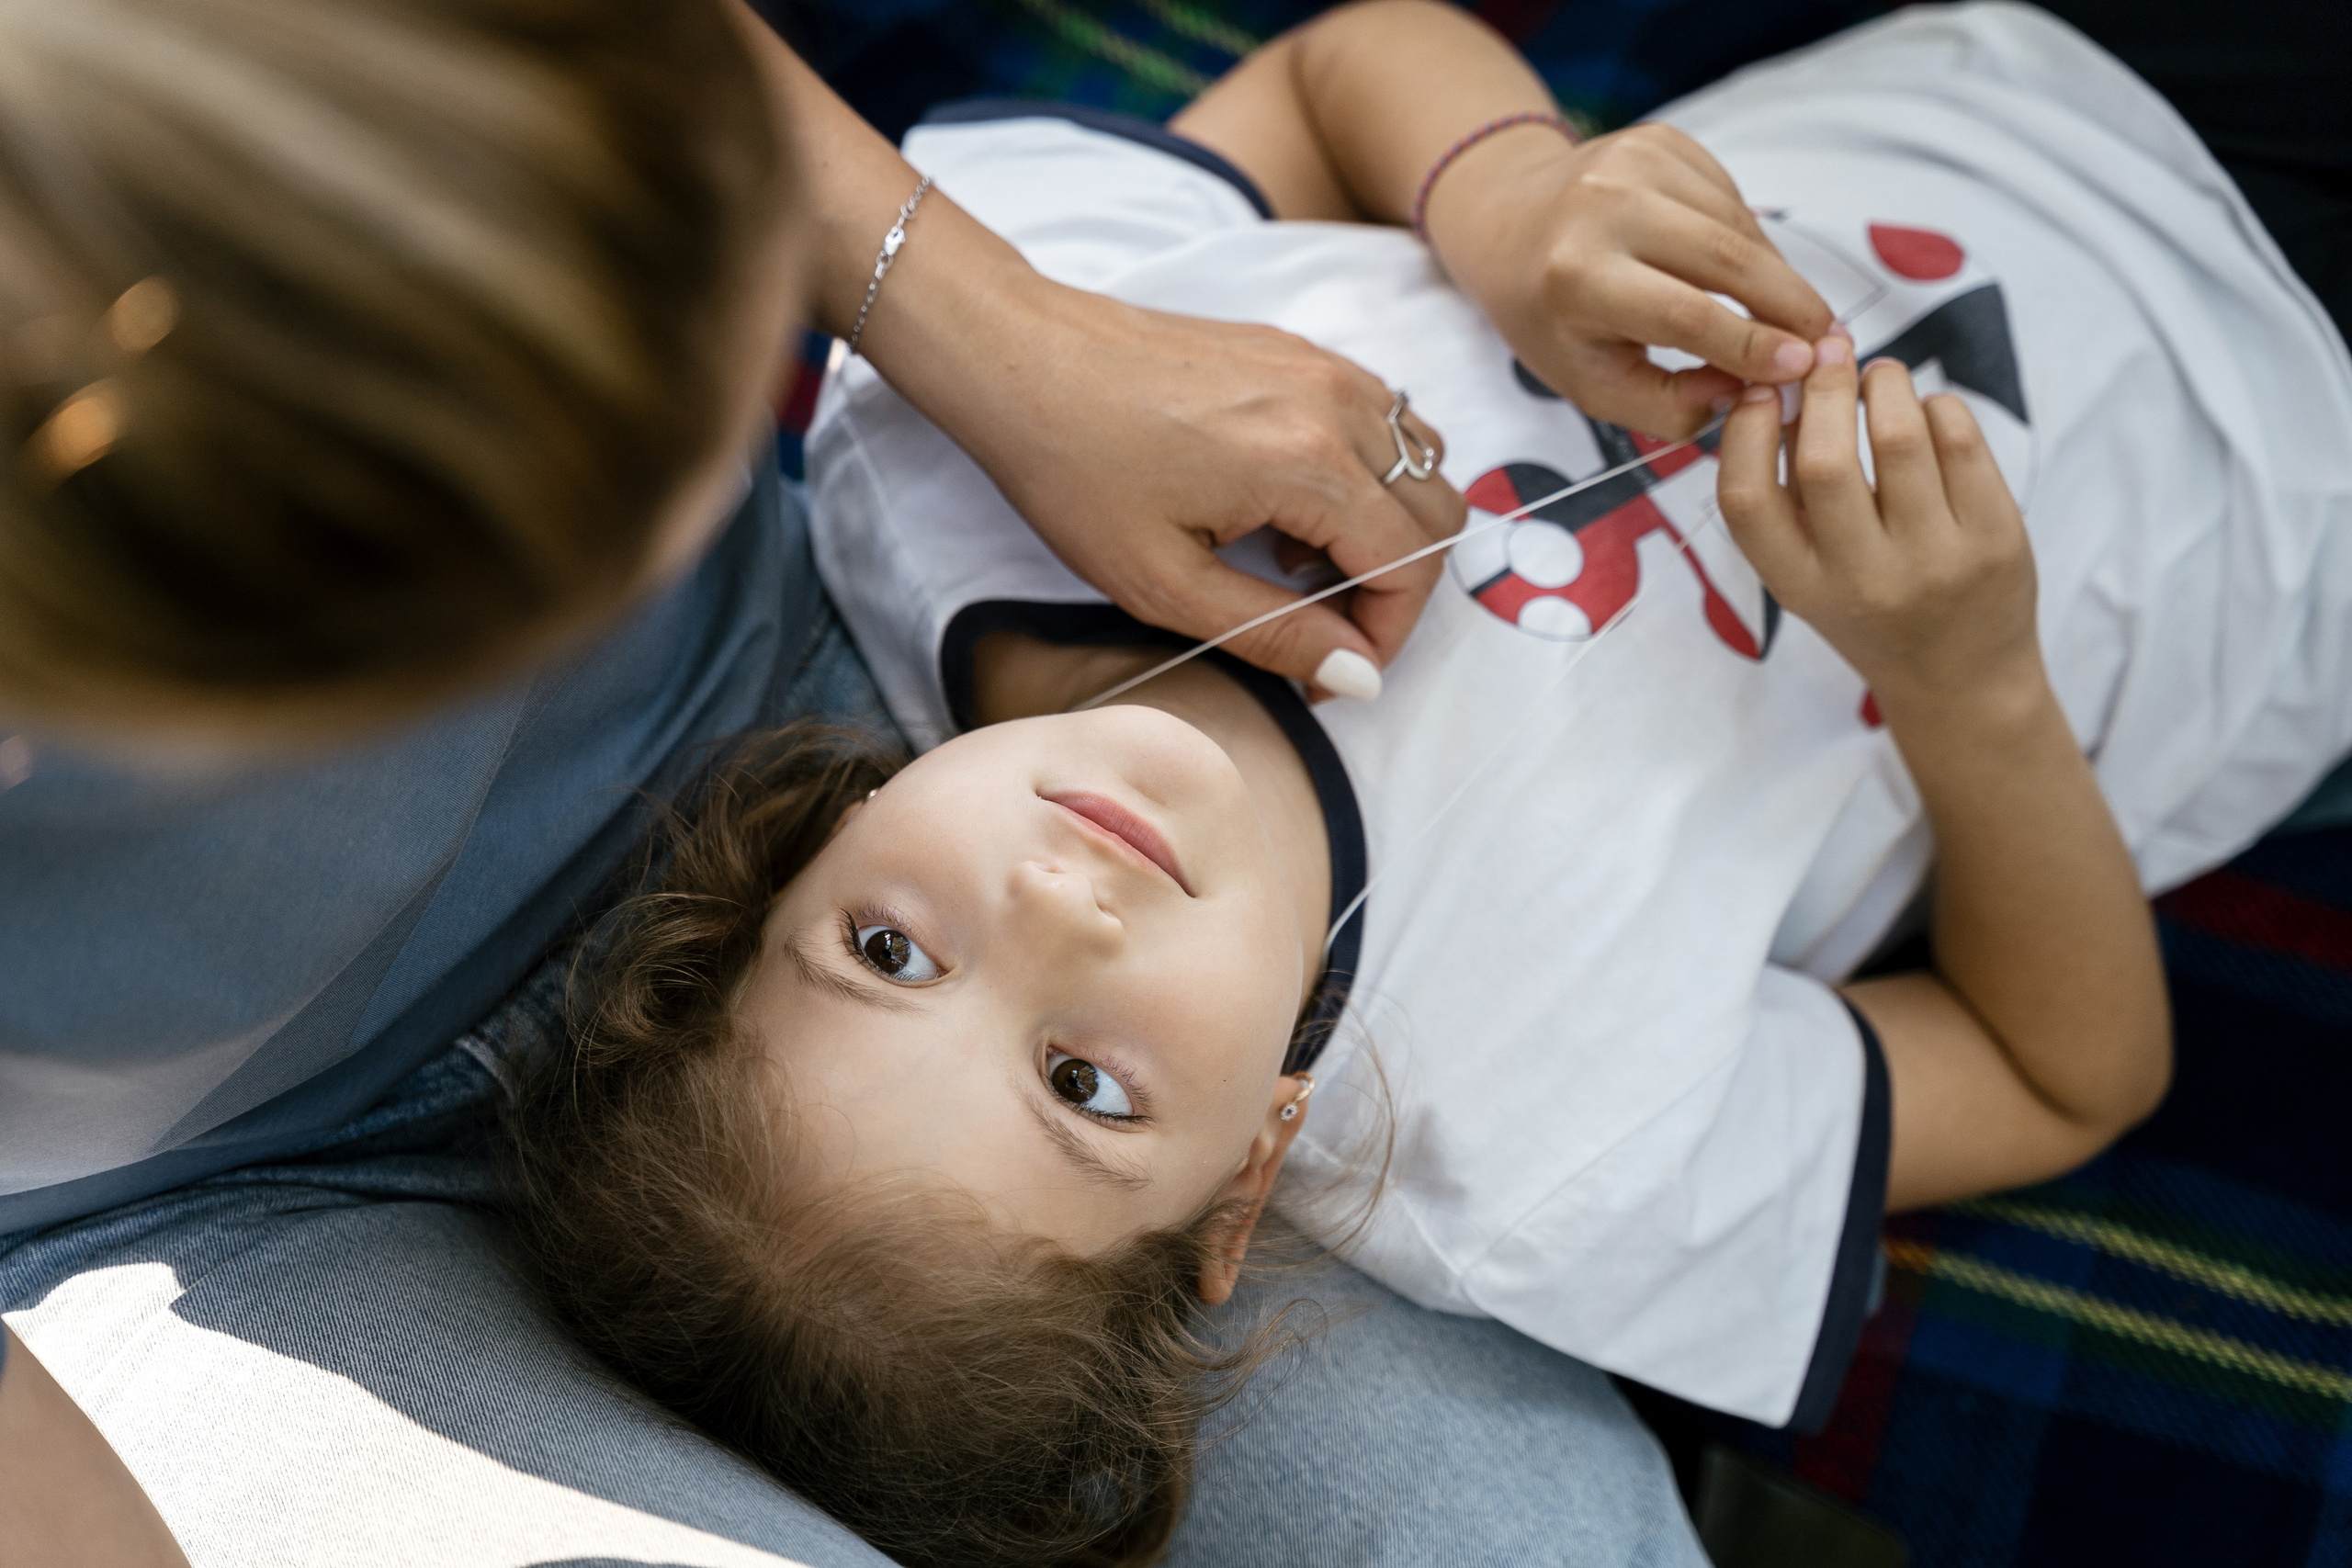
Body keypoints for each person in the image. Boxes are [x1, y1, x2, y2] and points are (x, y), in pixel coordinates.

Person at [501, 2, 2352, 1563]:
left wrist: (1509, 194)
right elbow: (2060, 1069)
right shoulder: (1549, 1151)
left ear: (797, 852)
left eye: (888, 951)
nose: (1056, 911)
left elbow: (1327, 72)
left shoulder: (933, 448)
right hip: (2290, 490)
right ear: (1247, 1182)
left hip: (2010, 80)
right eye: (1081, 1080)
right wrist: (1966, 681)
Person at [0, 0, 1840, 1562]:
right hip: (222, 1217)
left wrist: (981, 322)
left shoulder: (874, 605)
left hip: (776, 709)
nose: (1059, 892)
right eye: (1078, 1079)